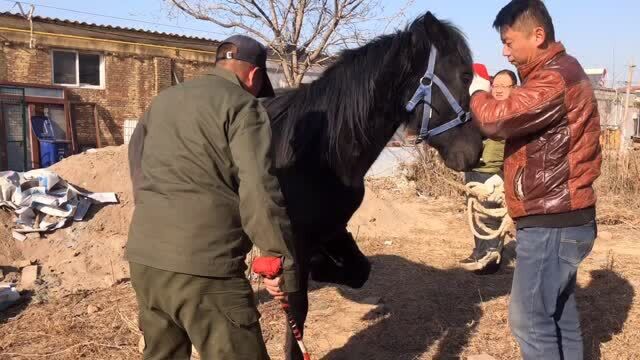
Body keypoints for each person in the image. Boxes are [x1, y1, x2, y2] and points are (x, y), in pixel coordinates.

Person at [126, 35, 299, 360]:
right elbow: (259, 190)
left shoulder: (164, 100)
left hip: (145, 262)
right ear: (254, 76)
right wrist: (277, 261)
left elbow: (137, 163)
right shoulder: (242, 105)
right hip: (205, 270)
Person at [470, 1, 602, 359]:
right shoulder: (558, 73)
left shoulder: (554, 77)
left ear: (538, 35)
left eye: (510, 42)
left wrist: (476, 90)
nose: (505, 50)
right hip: (564, 217)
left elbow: (497, 118)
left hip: (552, 221)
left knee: (529, 320)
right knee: (558, 316)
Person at [460, 66, 517, 273]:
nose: (499, 89)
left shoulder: (512, 111)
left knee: (491, 215)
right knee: (475, 213)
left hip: (493, 172)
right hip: (474, 167)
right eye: (496, 85)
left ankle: (491, 259)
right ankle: (479, 251)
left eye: (505, 86)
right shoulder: (485, 107)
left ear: (514, 87)